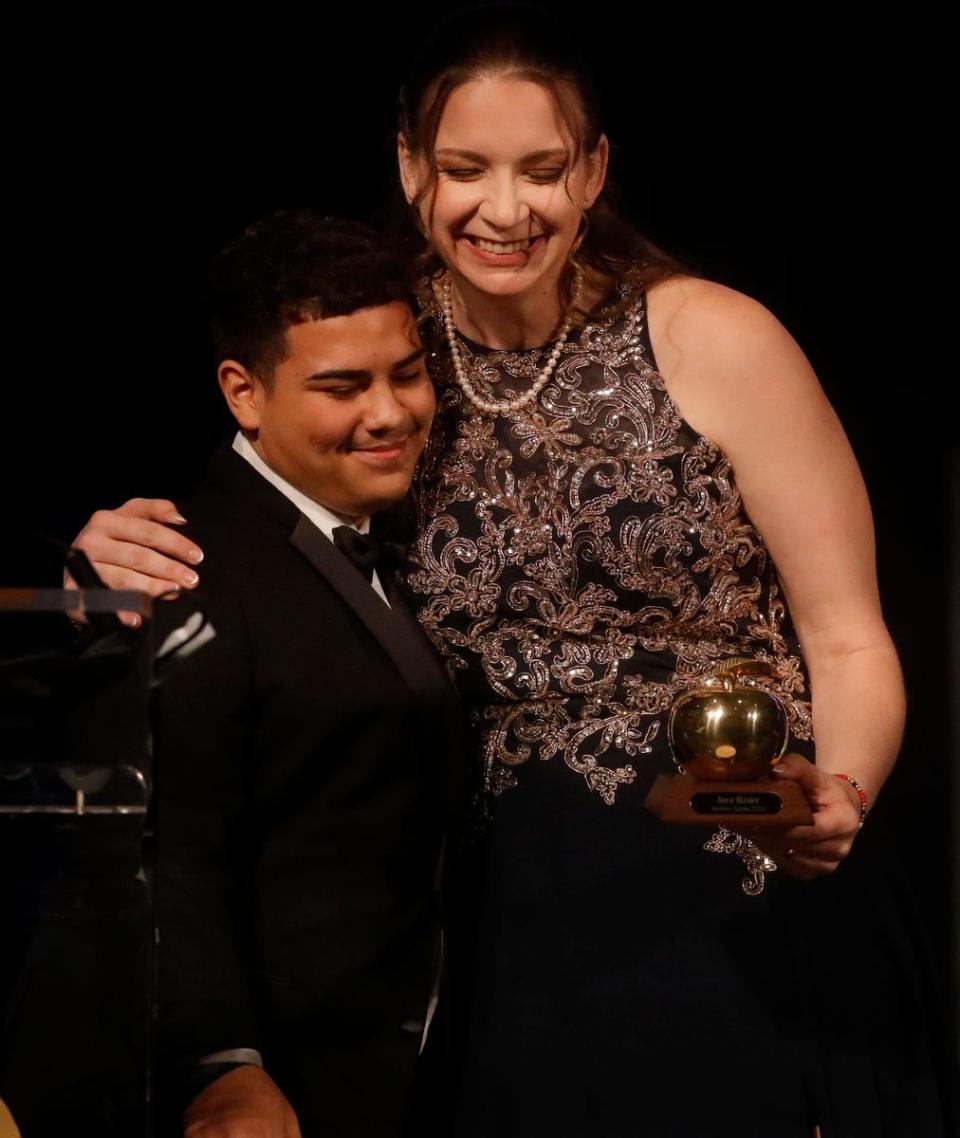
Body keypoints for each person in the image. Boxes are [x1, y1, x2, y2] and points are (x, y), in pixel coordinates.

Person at [70, 8, 954, 1136]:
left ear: (592, 173)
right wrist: (105, 562)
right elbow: (256, 525)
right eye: (464, 169)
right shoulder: (387, 352)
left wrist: (846, 799)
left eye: (542, 169)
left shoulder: (714, 338)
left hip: (746, 873)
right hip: (507, 926)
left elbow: (847, 635)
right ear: (409, 169)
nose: (504, 207)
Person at [138, 211, 463, 1138]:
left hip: (411, 1076)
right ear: (243, 393)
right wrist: (217, 1066)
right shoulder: (182, 567)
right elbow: (166, 850)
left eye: (407, 372)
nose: (391, 411)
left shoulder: (375, 541)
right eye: (341, 386)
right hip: (283, 1097)